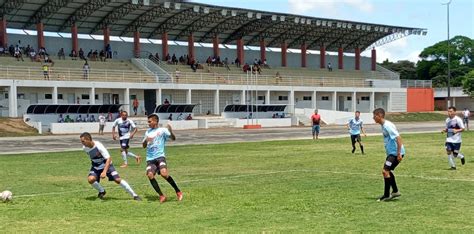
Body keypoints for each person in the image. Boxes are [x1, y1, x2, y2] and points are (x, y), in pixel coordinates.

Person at [80, 132, 141, 201]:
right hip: (96, 166)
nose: (82, 143)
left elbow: (108, 159)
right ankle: (102, 191)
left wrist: (104, 172)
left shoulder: (98, 146)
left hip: (107, 164)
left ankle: (134, 195)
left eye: (83, 141)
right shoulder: (85, 148)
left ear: (88, 139)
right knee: (90, 179)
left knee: (117, 180)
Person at [142, 114, 183, 203]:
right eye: (148, 122)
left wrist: (171, 132)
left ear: (155, 121)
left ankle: (178, 191)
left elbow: (173, 138)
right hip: (150, 159)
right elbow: (143, 146)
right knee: (150, 175)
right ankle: (161, 196)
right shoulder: (148, 132)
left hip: (160, 157)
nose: (148, 123)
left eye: (150, 121)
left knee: (164, 174)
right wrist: (146, 140)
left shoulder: (163, 130)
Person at [372, 108, 404, 202]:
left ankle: (387, 195)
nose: (373, 118)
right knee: (388, 171)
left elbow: (399, 138)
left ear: (380, 115)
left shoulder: (387, 126)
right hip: (392, 153)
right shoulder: (383, 125)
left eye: (374, 116)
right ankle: (395, 191)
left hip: (395, 153)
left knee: (385, 171)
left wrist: (399, 154)